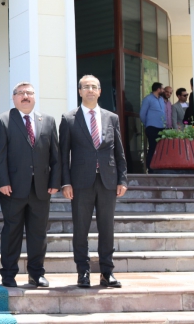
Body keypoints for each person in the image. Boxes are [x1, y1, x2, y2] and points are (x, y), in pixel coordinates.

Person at [60, 75, 128, 288]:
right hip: (80, 182)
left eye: (94, 87)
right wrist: (65, 182)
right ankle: (83, 272)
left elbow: (119, 151)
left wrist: (122, 179)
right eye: (86, 87)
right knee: (81, 229)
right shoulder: (69, 118)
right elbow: (63, 155)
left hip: (108, 181)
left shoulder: (111, 118)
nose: (90, 90)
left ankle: (107, 272)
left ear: (99, 91)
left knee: (107, 228)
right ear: (80, 91)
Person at [0, 82, 60, 288]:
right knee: (11, 232)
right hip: (12, 188)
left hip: (41, 188)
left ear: (34, 97)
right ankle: (8, 274)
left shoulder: (48, 120)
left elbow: (55, 156)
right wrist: (2, 181)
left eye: (29, 93)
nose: (25, 96)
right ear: (13, 98)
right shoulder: (3, 120)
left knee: (38, 233)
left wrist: (55, 181)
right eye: (20, 93)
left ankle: (36, 274)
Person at [140, 82, 165, 172]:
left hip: (162, 127)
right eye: (162, 89)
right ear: (158, 89)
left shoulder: (161, 99)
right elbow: (142, 114)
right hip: (152, 127)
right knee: (152, 148)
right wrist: (147, 124)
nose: (163, 90)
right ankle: (150, 169)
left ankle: (159, 168)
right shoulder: (148, 99)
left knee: (161, 149)